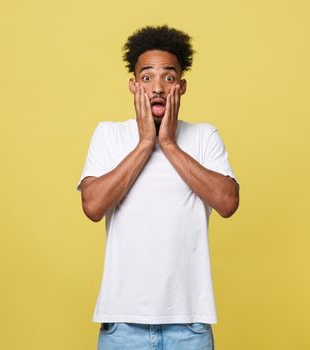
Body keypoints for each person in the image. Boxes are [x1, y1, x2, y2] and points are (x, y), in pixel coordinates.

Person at [77, 25, 239, 350]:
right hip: (122, 323)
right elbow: (92, 206)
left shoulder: (204, 137)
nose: (157, 88)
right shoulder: (109, 135)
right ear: (133, 86)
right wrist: (144, 145)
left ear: (181, 86)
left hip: (189, 326)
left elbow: (227, 201)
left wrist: (168, 144)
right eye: (147, 77)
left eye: (168, 77)